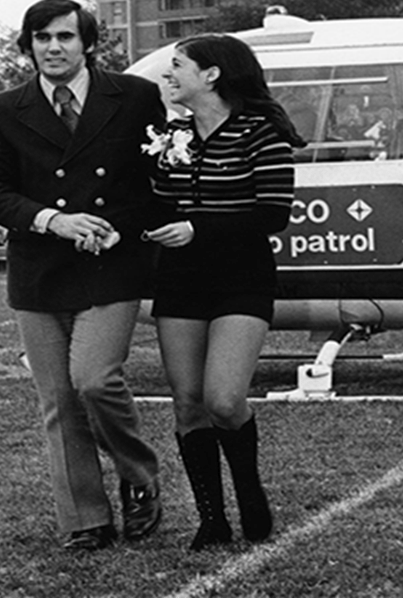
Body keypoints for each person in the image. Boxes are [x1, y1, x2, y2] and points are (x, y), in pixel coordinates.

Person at [0, 0, 164, 552]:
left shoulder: (134, 97)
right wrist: (54, 220)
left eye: (65, 37)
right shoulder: (2, 110)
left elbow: (157, 182)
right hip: (40, 269)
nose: (53, 48)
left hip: (113, 262)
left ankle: (138, 474)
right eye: (41, 38)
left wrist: (115, 227)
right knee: (58, 397)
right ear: (27, 45)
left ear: (87, 43)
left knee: (95, 380)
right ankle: (84, 518)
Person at [144, 34, 302, 549]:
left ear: (211, 75)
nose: (168, 76)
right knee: (188, 403)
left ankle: (250, 492)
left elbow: (272, 215)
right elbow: (158, 204)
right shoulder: (171, 135)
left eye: (177, 66)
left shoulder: (261, 134)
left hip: (242, 276)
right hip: (181, 279)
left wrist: (198, 229)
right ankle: (211, 519)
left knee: (225, 399)